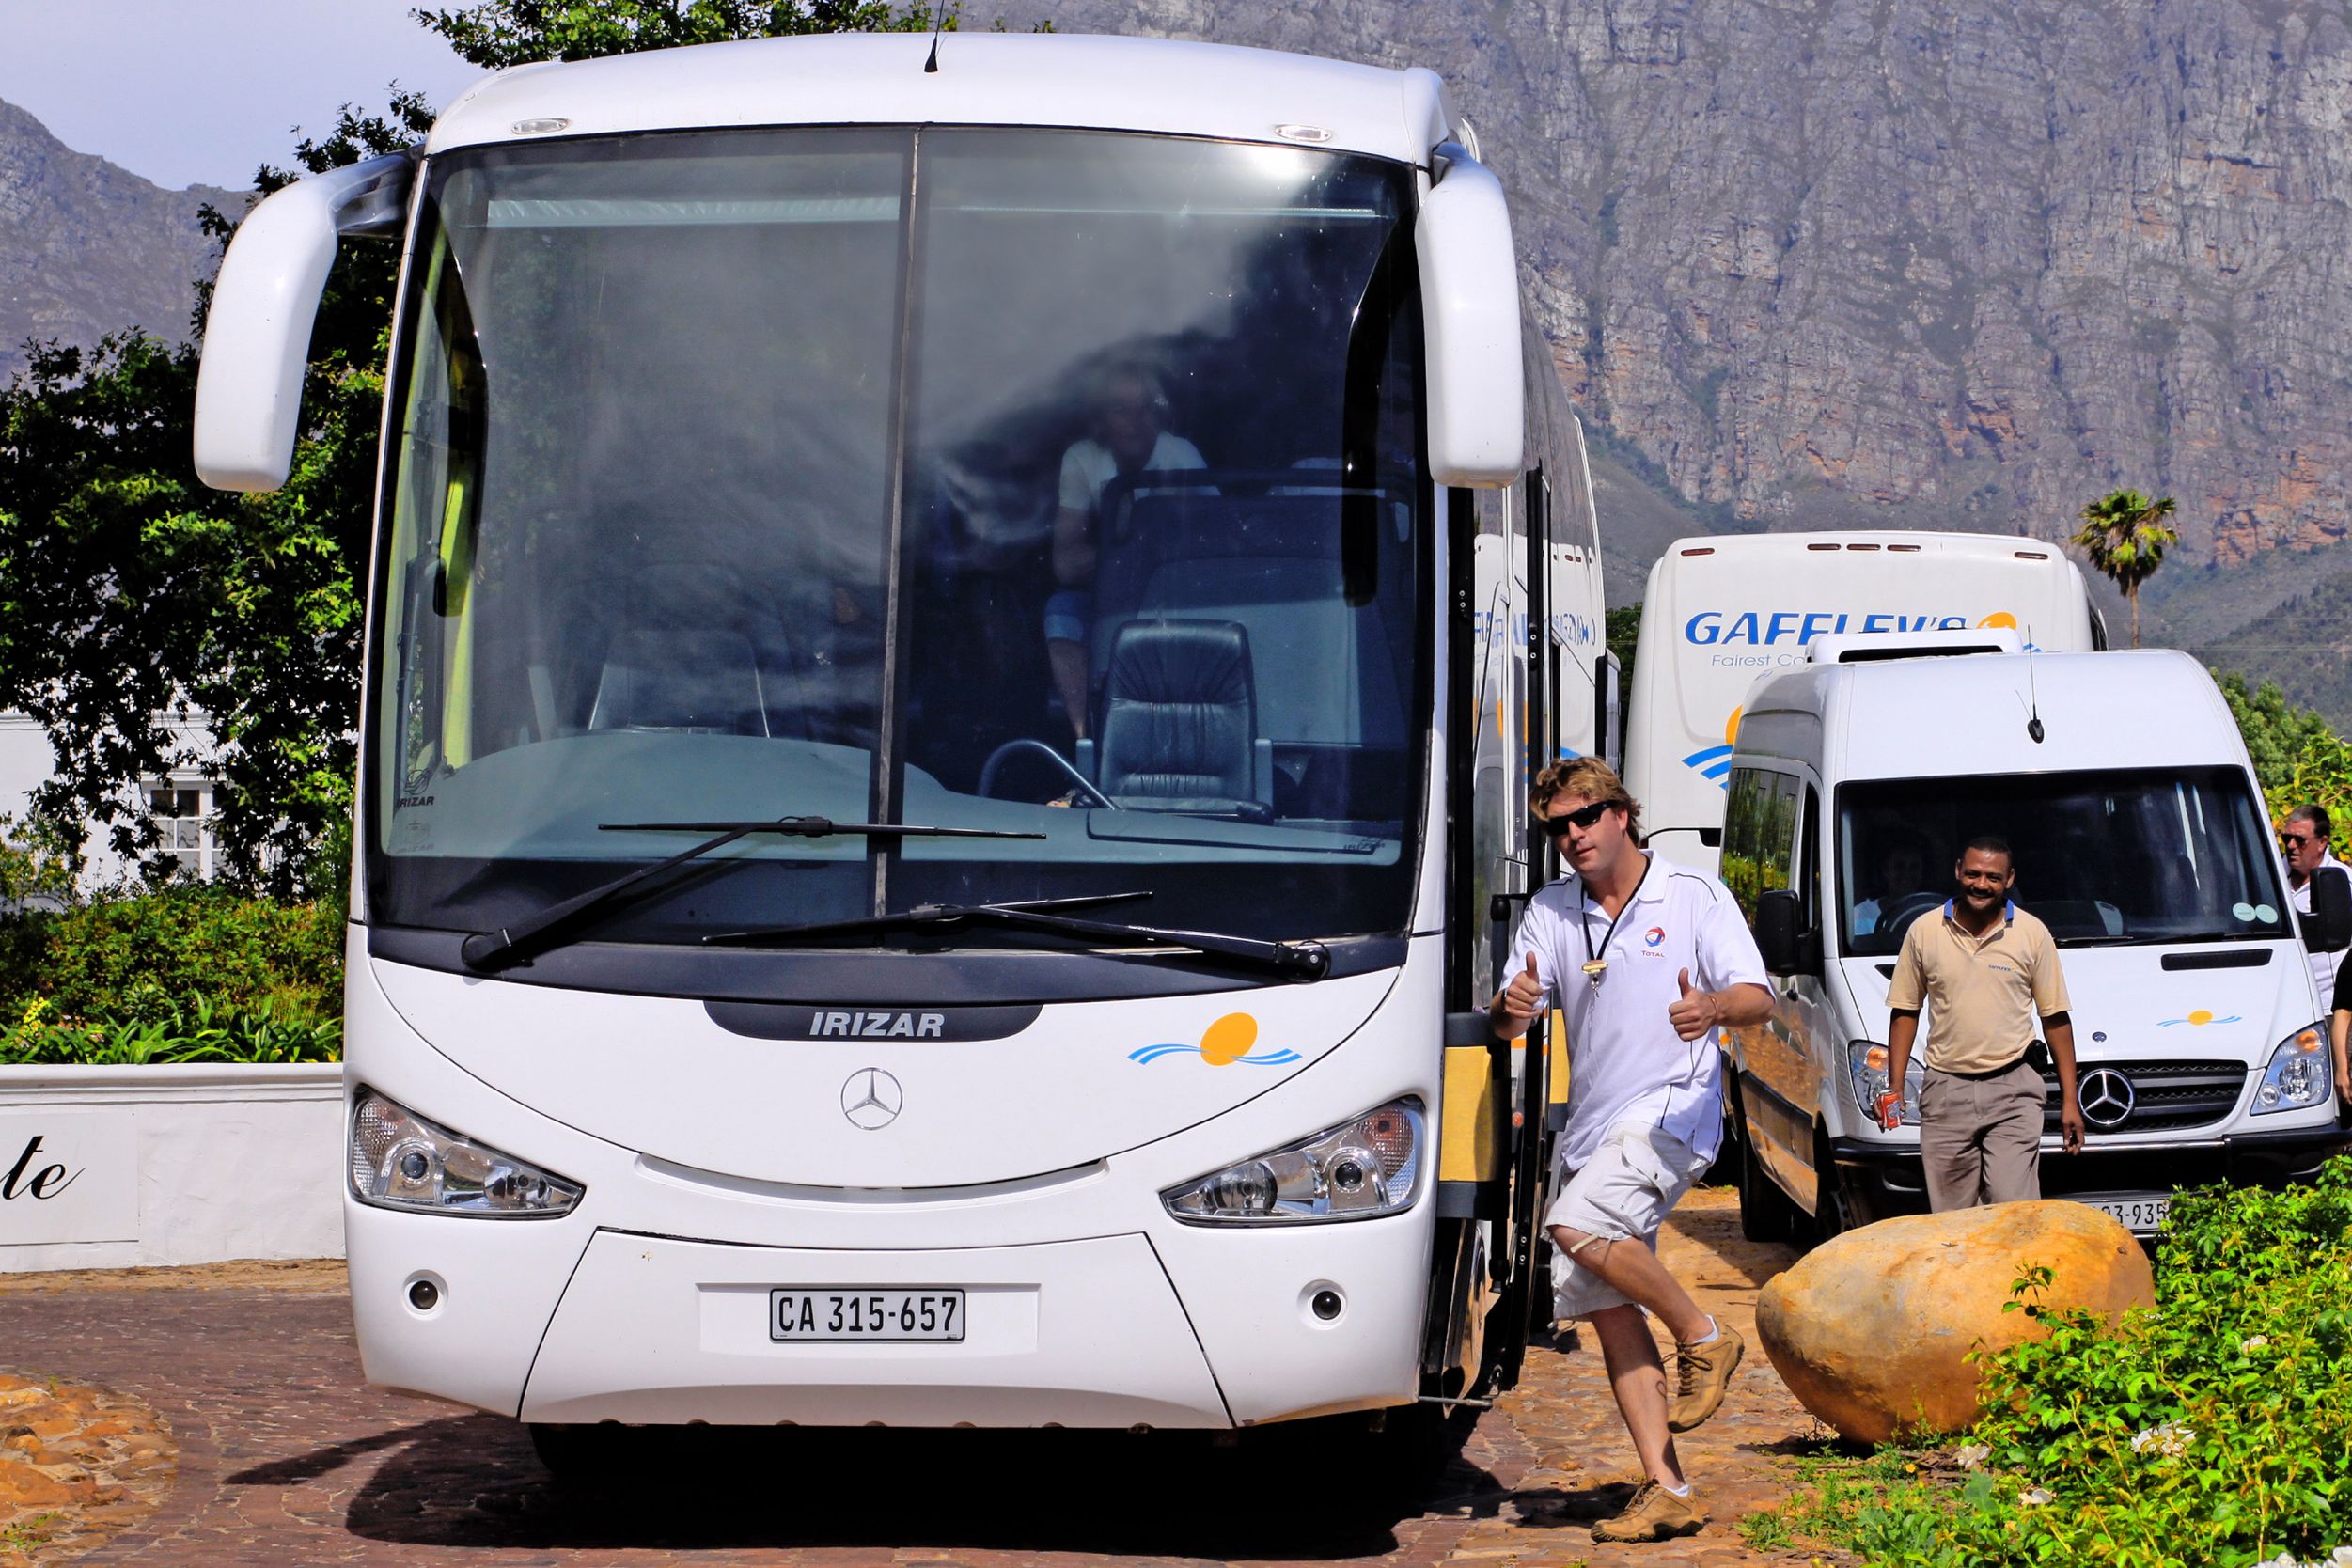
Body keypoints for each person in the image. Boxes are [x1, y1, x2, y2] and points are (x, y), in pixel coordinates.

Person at [1490, 757, 1772, 1544]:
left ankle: (1706, 1337)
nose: (1573, 836)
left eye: (1586, 817)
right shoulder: (1551, 910)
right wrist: (1512, 1005)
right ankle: (1669, 1489)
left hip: (1673, 1109)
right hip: (1595, 1127)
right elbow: (1509, 1019)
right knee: (1608, 1306)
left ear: (1622, 813)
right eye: (1558, 827)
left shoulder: (1693, 895)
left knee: (1574, 1224)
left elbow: (1757, 997)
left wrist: (1712, 1007)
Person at [1878, 838, 2085, 1211]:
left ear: (2009, 879)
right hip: (1946, 1089)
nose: (1981, 884)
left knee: (2013, 1208)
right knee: (1953, 1218)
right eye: (1973, 874)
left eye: (1993, 877)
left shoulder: (2032, 933)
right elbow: (1905, 1011)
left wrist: (2070, 1101)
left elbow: (2055, 1018)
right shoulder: (1924, 931)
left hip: (2013, 1088)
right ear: (1958, 871)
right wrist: (1894, 1088)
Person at [1043, 364, 1205, 741]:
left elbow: (1218, 540)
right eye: (1120, 409)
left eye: (1145, 407)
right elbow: (1065, 565)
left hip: (1177, 596)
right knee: (1061, 614)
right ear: (1100, 419)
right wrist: (1128, 547)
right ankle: (1089, 744)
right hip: (1110, 596)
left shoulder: (1181, 455)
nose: (1135, 421)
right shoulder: (1082, 459)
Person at [2281, 805, 2351, 1007]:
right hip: (2280, 998)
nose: (2291, 845)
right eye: (2287, 838)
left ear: (2322, 843)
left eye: (2300, 840)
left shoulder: (2343, 882)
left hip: (2326, 1005)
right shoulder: (2270, 878)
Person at [1852, 834, 1931, 937]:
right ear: (1886, 871)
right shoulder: (1862, 914)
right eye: (1899, 866)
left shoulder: (1933, 914)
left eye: (1914, 867)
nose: (1907, 874)